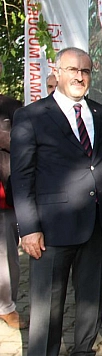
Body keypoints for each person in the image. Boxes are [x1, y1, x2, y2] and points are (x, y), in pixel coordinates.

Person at [11, 47, 102, 356]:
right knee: (46, 305)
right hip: (51, 229)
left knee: (90, 299)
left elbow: (101, 165)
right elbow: (22, 177)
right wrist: (28, 228)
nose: (80, 77)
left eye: (85, 71)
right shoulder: (32, 116)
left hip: (96, 224)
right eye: (72, 69)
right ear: (57, 70)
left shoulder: (101, 113)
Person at [0, 64, 25, 330]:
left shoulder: (13, 107)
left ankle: (6, 306)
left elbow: (22, 142)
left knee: (7, 254)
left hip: (5, 195)